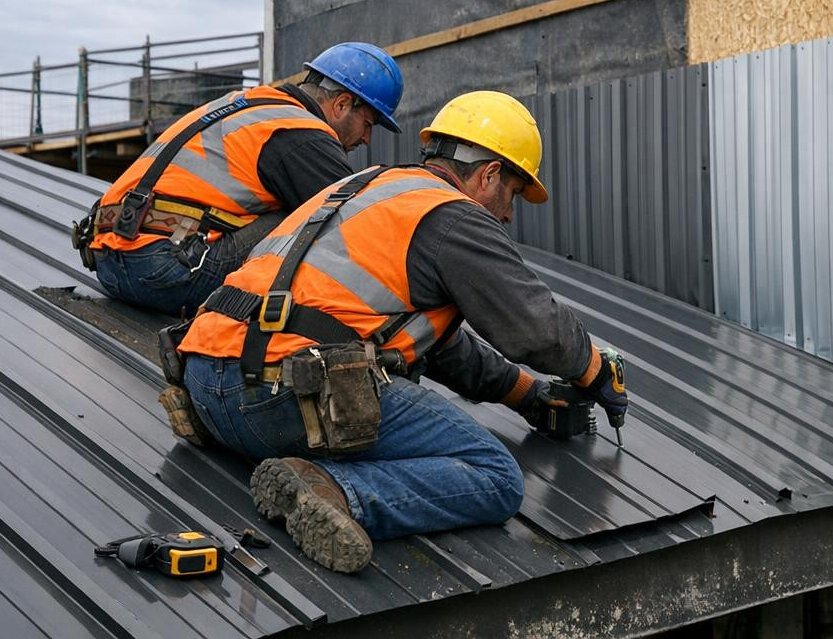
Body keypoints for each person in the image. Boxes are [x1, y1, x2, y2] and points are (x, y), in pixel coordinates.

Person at [174, 90, 630, 572]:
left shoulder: (364, 187)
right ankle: (331, 490)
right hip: (282, 397)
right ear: (490, 173)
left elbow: (440, 345)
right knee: (496, 477)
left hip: (204, 376)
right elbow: (537, 329)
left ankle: (227, 430)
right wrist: (596, 370)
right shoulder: (454, 216)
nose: (508, 215)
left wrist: (526, 396)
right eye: (513, 194)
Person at [77, 42, 403, 316]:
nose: (366, 140)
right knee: (319, 217)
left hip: (107, 260)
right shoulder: (302, 133)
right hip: (163, 274)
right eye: (369, 124)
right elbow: (360, 230)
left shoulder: (241, 104)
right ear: (341, 104)